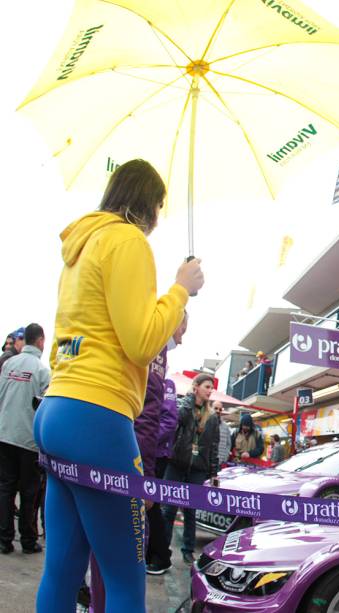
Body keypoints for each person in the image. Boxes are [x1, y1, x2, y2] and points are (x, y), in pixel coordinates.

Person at [32, 159, 204, 612]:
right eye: (160, 209)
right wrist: (180, 289)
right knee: (125, 577)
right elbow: (141, 342)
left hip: (57, 409)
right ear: (151, 204)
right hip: (98, 416)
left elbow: (93, 334)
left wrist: (167, 311)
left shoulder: (82, 246)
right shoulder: (127, 240)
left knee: (63, 570)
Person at [136, 311, 187, 575]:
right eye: (182, 330)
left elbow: (163, 420)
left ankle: (158, 556)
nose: (181, 339)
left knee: (149, 506)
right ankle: (156, 554)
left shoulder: (164, 380)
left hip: (150, 453)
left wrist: (145, 451)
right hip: (144, 452)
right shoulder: (150, 354)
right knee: (148, 507)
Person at [0, 323, 50, 554]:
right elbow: (46, 409)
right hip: (28, 440)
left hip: (4, 434)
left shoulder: (9, 364)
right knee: (29, 493)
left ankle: (3, 539)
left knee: (5, 488)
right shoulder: (42, 371)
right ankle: (28, 541)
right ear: (40, 341)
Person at [162, 373, 220, 565]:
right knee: (168, 510)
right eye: (206, 387)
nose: (210, 391)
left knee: (190, 512)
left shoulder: (212, 417)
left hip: (197, 469)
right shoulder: (184, 406)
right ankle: (162, 550)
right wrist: (189, 398)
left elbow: (213, 446)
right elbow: (178, 418)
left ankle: (188, 550)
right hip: (176, 464)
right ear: (195, 387)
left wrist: (213, 473)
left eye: (211, 388)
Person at [211, 400, 231, 466]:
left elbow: (228, 444)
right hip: (205, 462)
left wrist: (224, 458)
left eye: (220, 409)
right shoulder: (205, 422)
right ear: (211, 408)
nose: (218, 411)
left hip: (219, 462)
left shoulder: (226, 427)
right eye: (216, 408)